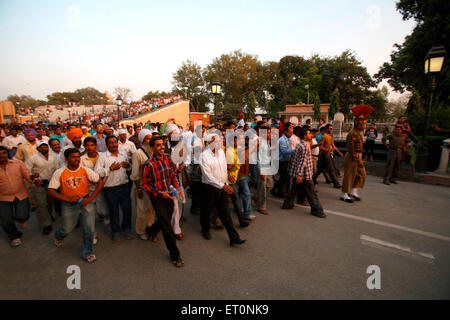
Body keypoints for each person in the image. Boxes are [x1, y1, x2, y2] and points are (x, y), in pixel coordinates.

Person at [49, 148, 105, 263]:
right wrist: (67, 198)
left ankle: (87, 252)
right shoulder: (60, 172)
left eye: (78, 156)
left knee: (89, 228)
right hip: (68, 205)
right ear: (66, 159)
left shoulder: (85, 170)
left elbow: (100, 182)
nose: (76, 159)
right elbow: (51, 191)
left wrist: (90, 198)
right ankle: (58, 236)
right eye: (73, 157)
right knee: (68, 228)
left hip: (85, 202)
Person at [141, 136, 184, 267]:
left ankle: (151, 231)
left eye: (163, 144)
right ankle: (175, 255)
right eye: (158, 145)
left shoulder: (167, 158)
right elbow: (145, 185)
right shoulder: (148, 164)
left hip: (170, 195)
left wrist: (177, 188)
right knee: (166, 226)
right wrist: (160, 193)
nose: (162, 147)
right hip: (158, 198)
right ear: (152, 148)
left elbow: (172, 175)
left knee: (166, 219)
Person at [199, 133, 246, 246]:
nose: (221, 143)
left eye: (221, 141)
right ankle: (205, 230)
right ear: (209, 143)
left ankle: (234, 237)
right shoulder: (204, 156)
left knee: (226, 213)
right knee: (207, 210)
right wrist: (223, 185)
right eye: (218, 141)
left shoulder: (221, 152)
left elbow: (223, 167)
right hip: (209, 188)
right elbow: (208, 176)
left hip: (223, 186)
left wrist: (227, 176)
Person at [94, 135, 133, 242]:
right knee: (113, 211)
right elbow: (97, 172)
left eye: (115, 142)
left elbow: (129, 167)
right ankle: (116, 232)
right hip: (110, 189)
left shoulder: (123, 154)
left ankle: (127, 229)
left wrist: (128, 166)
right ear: (107, 145)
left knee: (127, 208)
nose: (114, 144)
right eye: (111, 143)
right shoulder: (103, 157)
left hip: (124, 186)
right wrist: (109, 169)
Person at [282, 128, 325, 218]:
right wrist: (300, 175)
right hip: (304, 174)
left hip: (298, 173)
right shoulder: (304, 146)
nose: (311, 135)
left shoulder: (300, 144)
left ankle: (288, 204)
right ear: (305, 136)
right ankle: (317, 210)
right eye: (309, 134)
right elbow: (302, 162)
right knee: (311, 193)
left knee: (294, 190)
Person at [0, 146, 35, 247]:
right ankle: (14, 237)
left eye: (3, 153)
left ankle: (21, 220)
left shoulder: (17, 163)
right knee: (6, 219)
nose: (1, 156)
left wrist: (32, 178)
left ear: (8, 154)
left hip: (20, 194)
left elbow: (27, 175)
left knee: (23, 215)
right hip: (3, 198)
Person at [25, 140, 58, 235]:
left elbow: (56, 169)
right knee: (41, 203)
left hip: (51, 182)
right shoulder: (32, 158)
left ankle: (49, 215)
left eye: (45, 146)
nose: (44, 148)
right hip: (38, 183)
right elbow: (26, 171)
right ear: (38, 148)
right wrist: (34, 179)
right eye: (41, 147)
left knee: (50, 202)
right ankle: (46, 224)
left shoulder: (53, 156)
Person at [340, 109, 373, 203]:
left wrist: (360, 158)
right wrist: (357, 160)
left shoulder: (359, 134)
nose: (363, 126)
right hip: (352, 157)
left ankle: (354, 191)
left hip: (358, 156)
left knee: (361, 174)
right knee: (349, 176)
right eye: (362, 124)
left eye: (364, 124)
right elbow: (351, 149)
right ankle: (344, 194)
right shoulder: (352, 134)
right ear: (356, 123)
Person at [130, 129, 156, 241]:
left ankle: (150, 229)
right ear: (142, 140)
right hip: (142, 186)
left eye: (151, 138)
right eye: (147, 138)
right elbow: (135, 174)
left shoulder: (154, 152)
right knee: (142, 210)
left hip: (154, 186)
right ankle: (140, 231)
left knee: (151, 210)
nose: (149, 140)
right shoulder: (137, 154)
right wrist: (138, 188)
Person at [312, 124, 342, 188]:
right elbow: (320, 147)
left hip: (327, 154)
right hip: (324, 154)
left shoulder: (330, 137)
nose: (331, 130)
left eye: (332, 128)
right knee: (330, 169)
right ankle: (336, 183)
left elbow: (333, 145)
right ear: (326, 129)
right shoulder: (324, 137)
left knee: (320, 169)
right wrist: (327, 149)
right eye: (330, 129)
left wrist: (338, 151)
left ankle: (313, 179)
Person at [271, 122, 294, 197]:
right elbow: (284, 152)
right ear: (285, 132)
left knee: (285, 177)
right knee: (283, 178)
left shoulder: (287, 139)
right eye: (290, 132)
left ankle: (279, 191)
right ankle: (275, 189)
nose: (291, 134)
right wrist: (295, 150)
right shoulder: (282, 140)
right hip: (281, 161)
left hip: (285, 160)